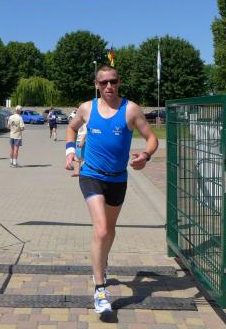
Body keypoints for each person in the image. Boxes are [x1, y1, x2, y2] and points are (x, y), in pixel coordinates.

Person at [65, 65, 158, 313]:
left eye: (113, 81)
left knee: (110, 230)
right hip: (91, 175)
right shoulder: (87, 108)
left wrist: (146, 155)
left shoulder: (131, 109)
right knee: (102, 228)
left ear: (119, 83)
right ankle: (100, 289)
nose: (109, 86)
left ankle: (101, 261)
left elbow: (152, 138)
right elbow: (71, 127)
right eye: (104, 82)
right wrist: (70, 150)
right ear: (96, 84)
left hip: (118, 179)